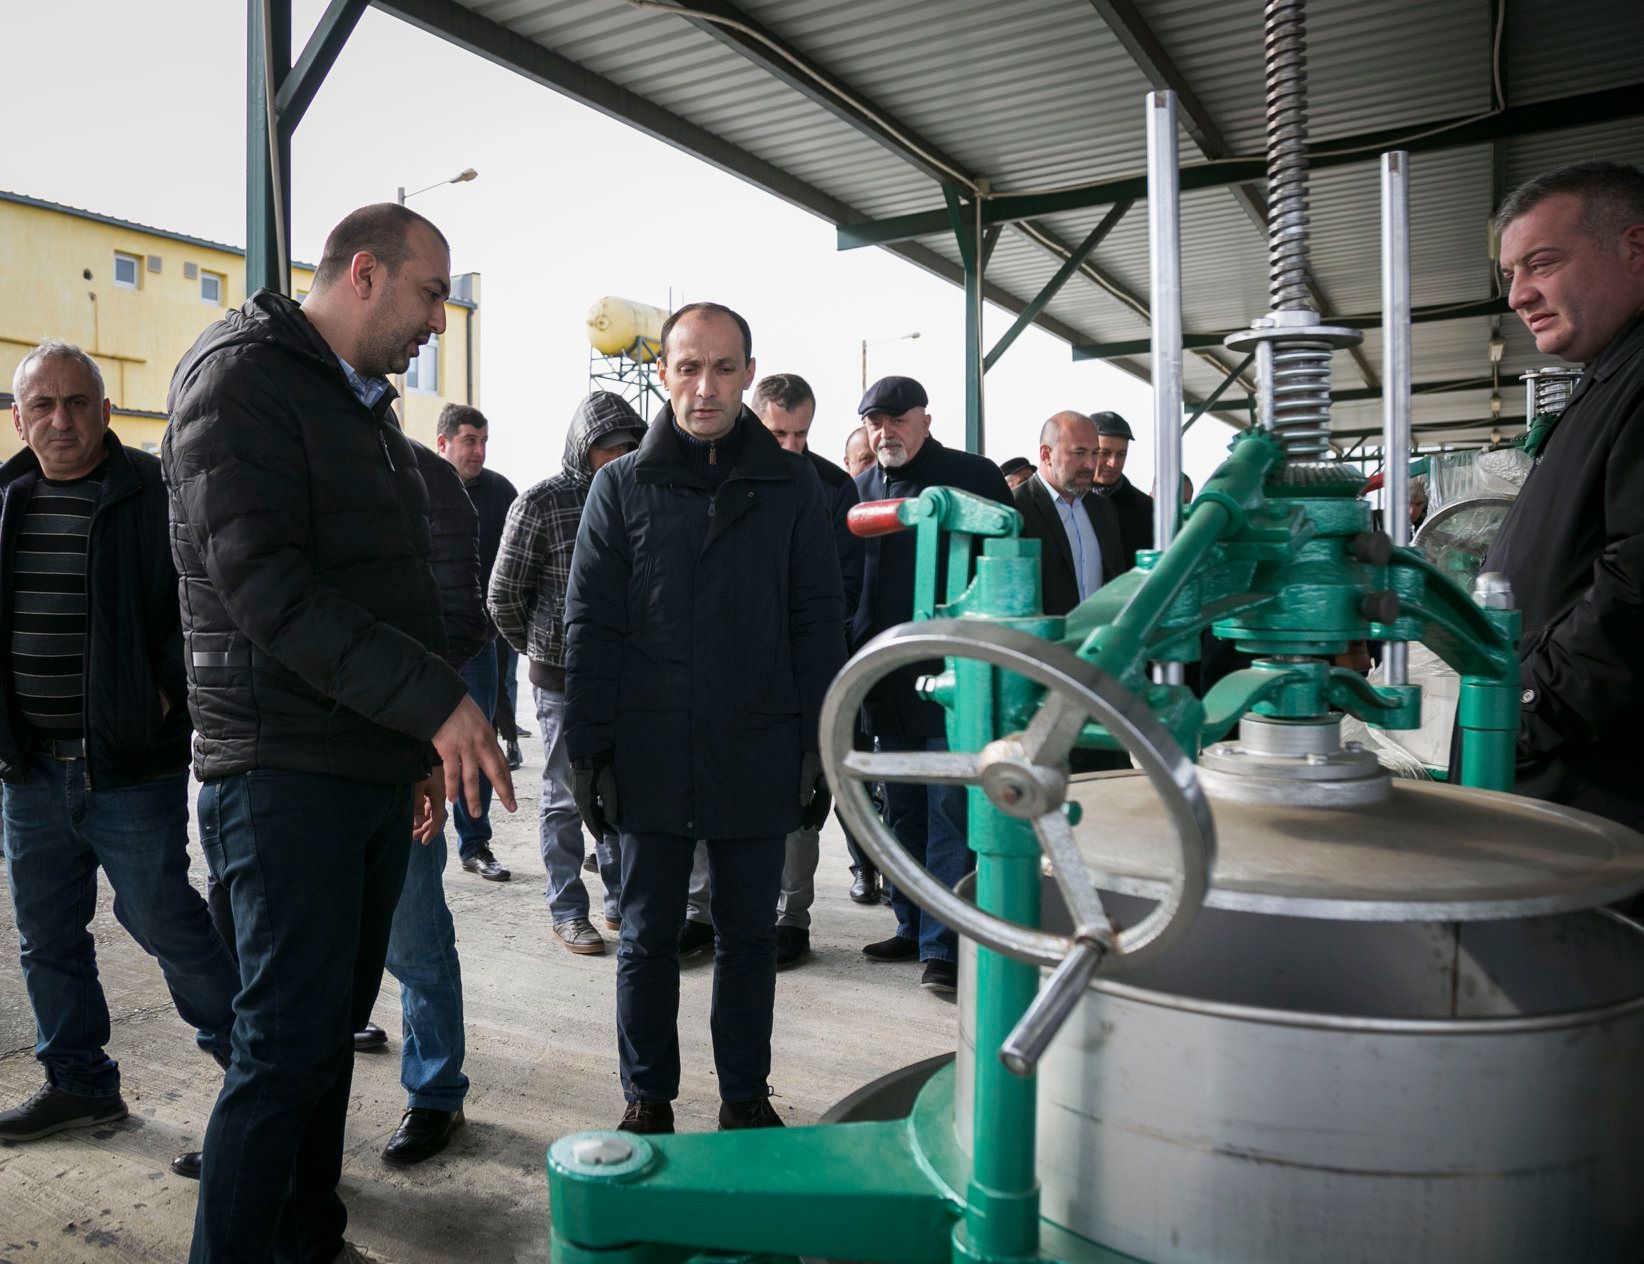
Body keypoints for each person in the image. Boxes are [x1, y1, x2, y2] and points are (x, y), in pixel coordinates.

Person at [163, 201, 514, 1263]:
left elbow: (384, 592)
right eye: (430, 294)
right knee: (280, 1054)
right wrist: (435, 705)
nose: (439, 321)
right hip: (279, 774)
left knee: (319, 1045)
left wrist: (407, 750)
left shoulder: (353, 403)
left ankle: (306, 1240)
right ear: (364, 272)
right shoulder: (239, 380)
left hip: (353, 765)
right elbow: (269, 591)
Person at [564, 302, 844, 1134]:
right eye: (688, 367)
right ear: (663, 373)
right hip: (649, 751)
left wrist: (819, 747)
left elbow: (817, 623)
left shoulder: (793, 486)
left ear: (749, 374)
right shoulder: (621, 487)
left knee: (749, 936)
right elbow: (591, 626)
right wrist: (589, 751)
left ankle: (744, 1097)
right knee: (648, 936)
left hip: (758, 748)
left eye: (724, 368)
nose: (706, 387)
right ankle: (647, 1098)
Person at [0, 341, 239, 1144]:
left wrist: (158, 696)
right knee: (47, 938)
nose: (61, 419)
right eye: (42, 405)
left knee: (165, 921)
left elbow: (206, 600)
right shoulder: (6, 498)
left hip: (129, 767)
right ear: (19, 418)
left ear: (105, 411)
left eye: (77, 402)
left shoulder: (154, 491)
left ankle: (258, 1080)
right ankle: (79, 1084)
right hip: (30, 769)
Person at [1474, 160, 1644, 832]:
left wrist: (1524, 710)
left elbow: (1636, 589)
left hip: (1608, 799)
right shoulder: (1611, 376)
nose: (1518, 295)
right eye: (1510, 274)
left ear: (1635, 249)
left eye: (1541, 263)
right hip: (1572, 778)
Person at [678, 372, 861, 970]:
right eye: (780, 433)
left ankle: (791, 917)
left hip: (797, 671)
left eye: (802, 434)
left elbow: (840, 589)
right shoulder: (716, 477)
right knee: (703, 788)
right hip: (724, 669)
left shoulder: (831, 487)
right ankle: (699, 912)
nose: (791, 447)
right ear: (754, 417)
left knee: (796, 801)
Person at [852, 375, 1013, 994]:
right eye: (874, 422)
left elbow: (1004, 565)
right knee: (902, 810)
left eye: (897, 419)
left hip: (955, 677)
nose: (885, 432)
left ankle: (943, 945)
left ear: (926, 418)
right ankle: (912, 923)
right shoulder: (862, 489)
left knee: (950, 809)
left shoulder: (973, 476)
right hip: (885, 680)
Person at [490, 392, 644, 956]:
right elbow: (504, 595)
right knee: (563, 797)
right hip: (560, 682)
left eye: (629, 446)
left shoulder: (643, 495)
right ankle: (567, 910)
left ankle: (620, 902)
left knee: (620, 794)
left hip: (626, 677)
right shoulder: (541, 502)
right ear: (583, 448)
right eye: (608, 447)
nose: (620, 456)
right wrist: (542, 650)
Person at [437, 403, 519, 883]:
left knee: (480, 736)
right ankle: (418, 838)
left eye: (484, 441)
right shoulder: (419, 482)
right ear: (443, 442)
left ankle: (475, 844)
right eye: (470, 440)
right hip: (424, 642)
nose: (479, 451)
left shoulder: (501, 493)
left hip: (480, 642)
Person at [1011, 411, 1126, 616]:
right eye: (1079, 453)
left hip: (1098, 633)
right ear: (1046, 454)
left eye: (1095, 453)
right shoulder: (1016, 508)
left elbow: (1116, 581)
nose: (1090, 464)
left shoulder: (1103, 509)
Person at [1089, 411, 1154, 570]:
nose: (1113, 463)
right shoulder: (1066, 503)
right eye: (1105, 453)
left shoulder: (1147, 510)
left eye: (1121, 454)